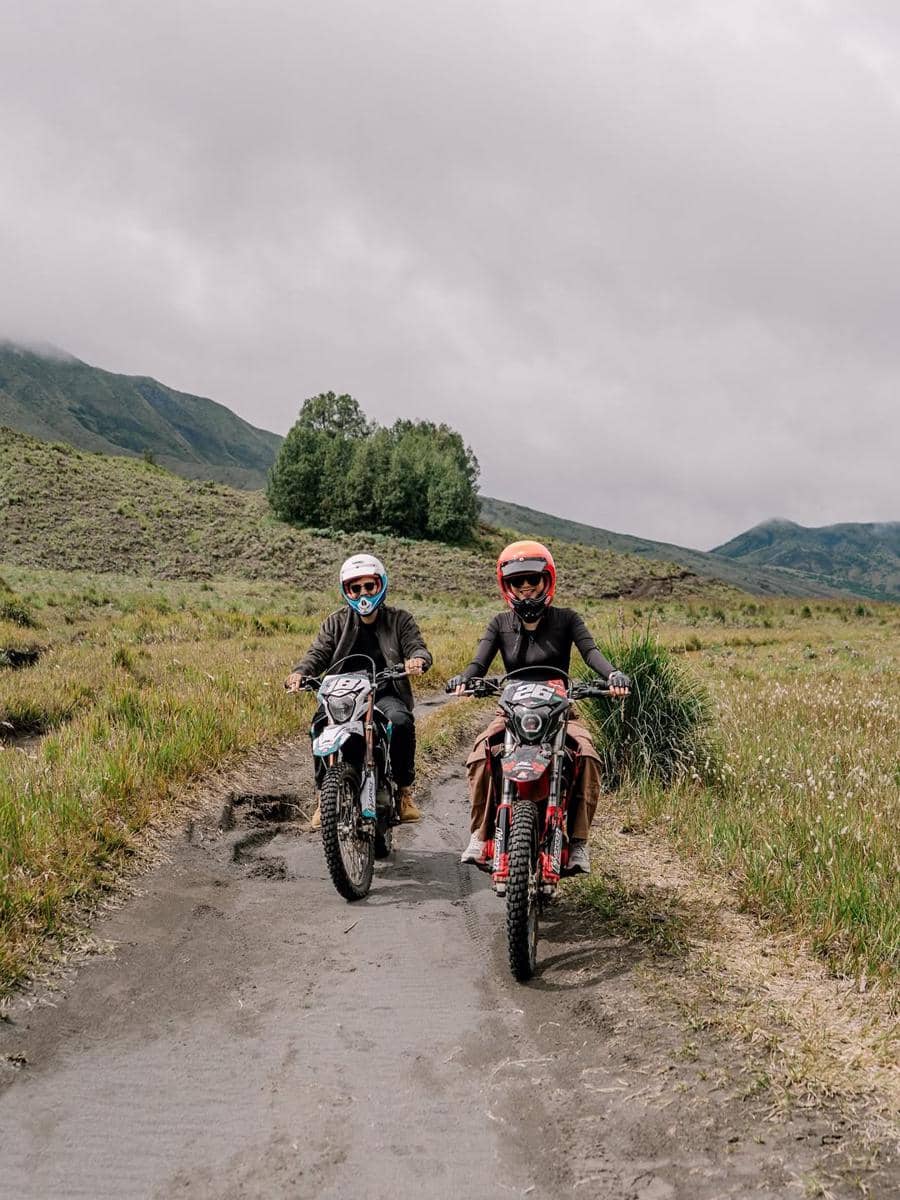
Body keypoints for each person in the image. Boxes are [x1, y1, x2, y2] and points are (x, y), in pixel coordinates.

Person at [447, 540, 630, 874]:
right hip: (513, 711)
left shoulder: (567, 619)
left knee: (586, 754)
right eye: (518, 582)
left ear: (548, 580)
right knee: (481, 754)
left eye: (534, 580)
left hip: (560, 711)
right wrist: (465, 679)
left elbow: (591, 653)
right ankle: (480, 833)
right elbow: (479, 663)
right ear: (508, 586)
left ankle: (578, 843)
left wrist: (613, 674)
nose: (527, 588)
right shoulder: (499, 624)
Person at [285, 553, 432, 825]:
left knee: (400, 721)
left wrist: (418, 660)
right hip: (343, 695)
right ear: (346, 591)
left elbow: (416, 645)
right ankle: (324, 797)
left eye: (369, 586)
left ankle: (403, 791)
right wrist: (300, 673)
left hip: (384, 691)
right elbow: (317, 653)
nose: (362, 593)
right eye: (356, 588)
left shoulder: (400, 619)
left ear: (380, 585)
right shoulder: (335, 622)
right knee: (318, 726)